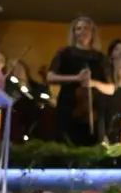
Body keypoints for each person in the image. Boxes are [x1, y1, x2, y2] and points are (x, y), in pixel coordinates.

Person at [46, 16, 112, 145]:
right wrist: (76, 78)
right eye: (78, 29)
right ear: (74, 33)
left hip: (93, 108)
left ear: (92, 33)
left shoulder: (100, 58)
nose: (82, 32)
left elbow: (111, 89)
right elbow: (50, 77)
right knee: (66, 141)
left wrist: (93, 83)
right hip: (68, 105)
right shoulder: (65, 53)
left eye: (86, 28)